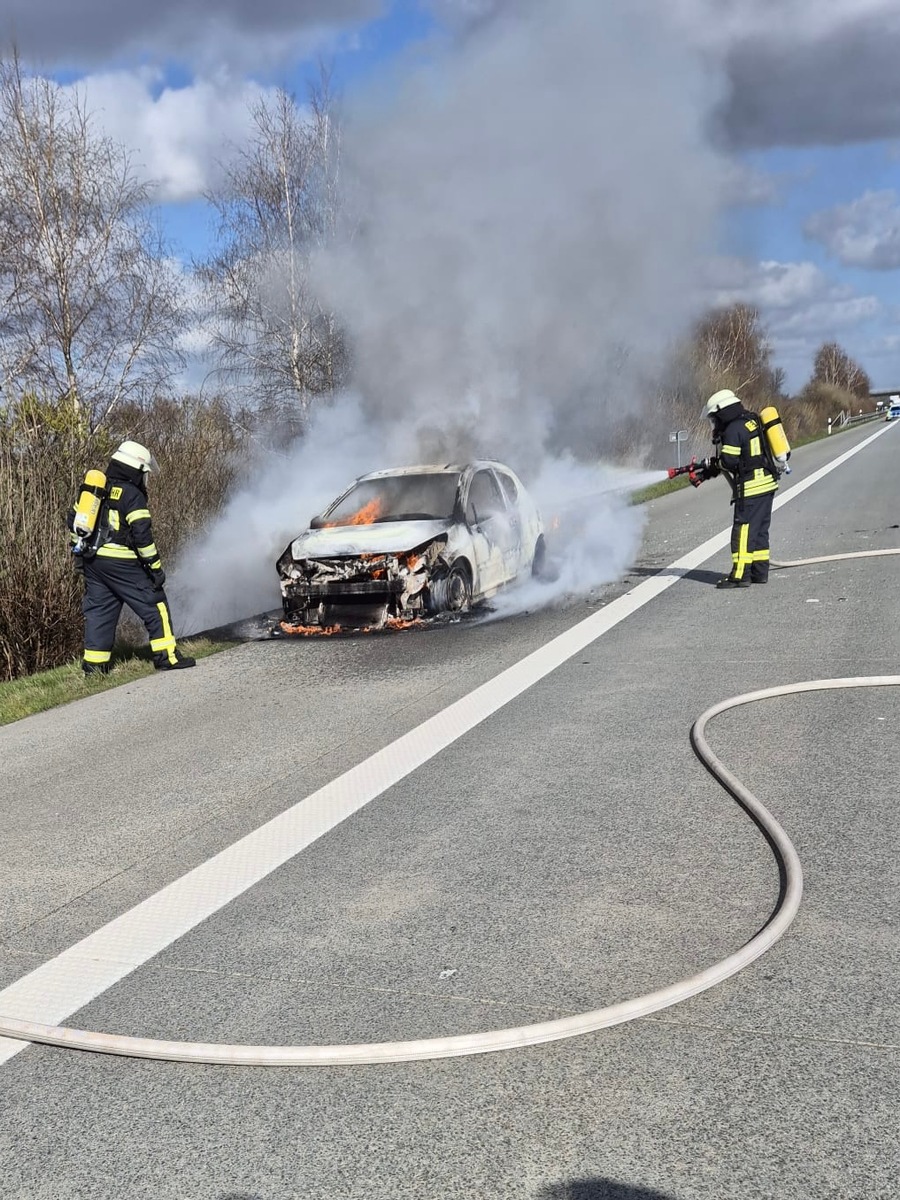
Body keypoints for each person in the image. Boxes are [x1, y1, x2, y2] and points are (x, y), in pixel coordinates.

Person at [69, 440, 196, 674]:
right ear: (136, 470)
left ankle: (94, 667)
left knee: (100, 611)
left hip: (94, 562)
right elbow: (142, 535)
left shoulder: (97, 489)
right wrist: (155, 568)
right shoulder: (132, 494)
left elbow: (73, 521)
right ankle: (167, 656)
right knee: (155, 603)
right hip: (122, 562)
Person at [703, 389, 779, 589]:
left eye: (715, 418)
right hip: (767, 484)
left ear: (722, 412)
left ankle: (740, 576)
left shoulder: (733, 429)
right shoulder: (751, 420)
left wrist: (713, 464)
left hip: (751, 488)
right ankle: (759, 572)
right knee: (760, 530)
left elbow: (728, 461)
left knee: (743, 531)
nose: (715, 423)